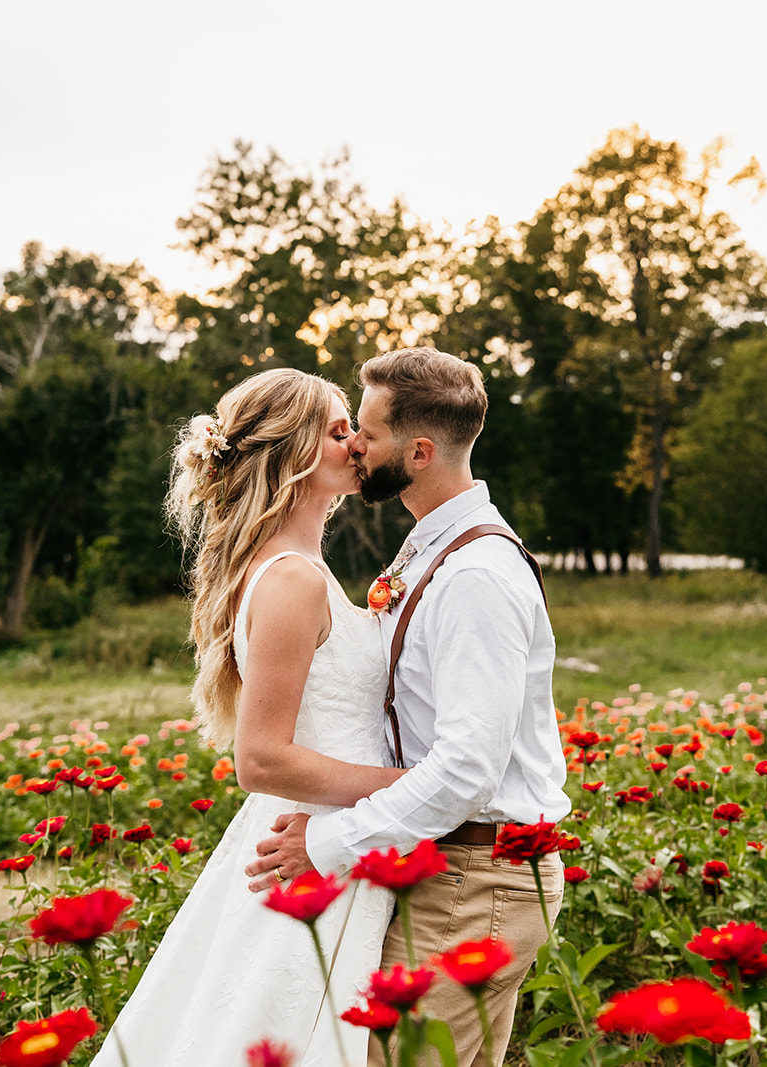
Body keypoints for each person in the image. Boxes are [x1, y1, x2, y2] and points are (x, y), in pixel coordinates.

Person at [243, 346, 570, 1067]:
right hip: (445, 868)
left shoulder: (474, 575)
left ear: (419, 451)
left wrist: (323, 847)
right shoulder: (429, 552)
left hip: (475, 878)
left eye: (368, 430)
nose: (355, 443)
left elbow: (466, 774)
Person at [90, 368, 404, 1067]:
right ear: (290, 451)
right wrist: (407, 785)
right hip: (306, 850)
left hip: (324, 837)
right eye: (336, 428)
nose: (356, 442)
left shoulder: (298, 566)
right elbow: (260, 758)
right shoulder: (290, 577)